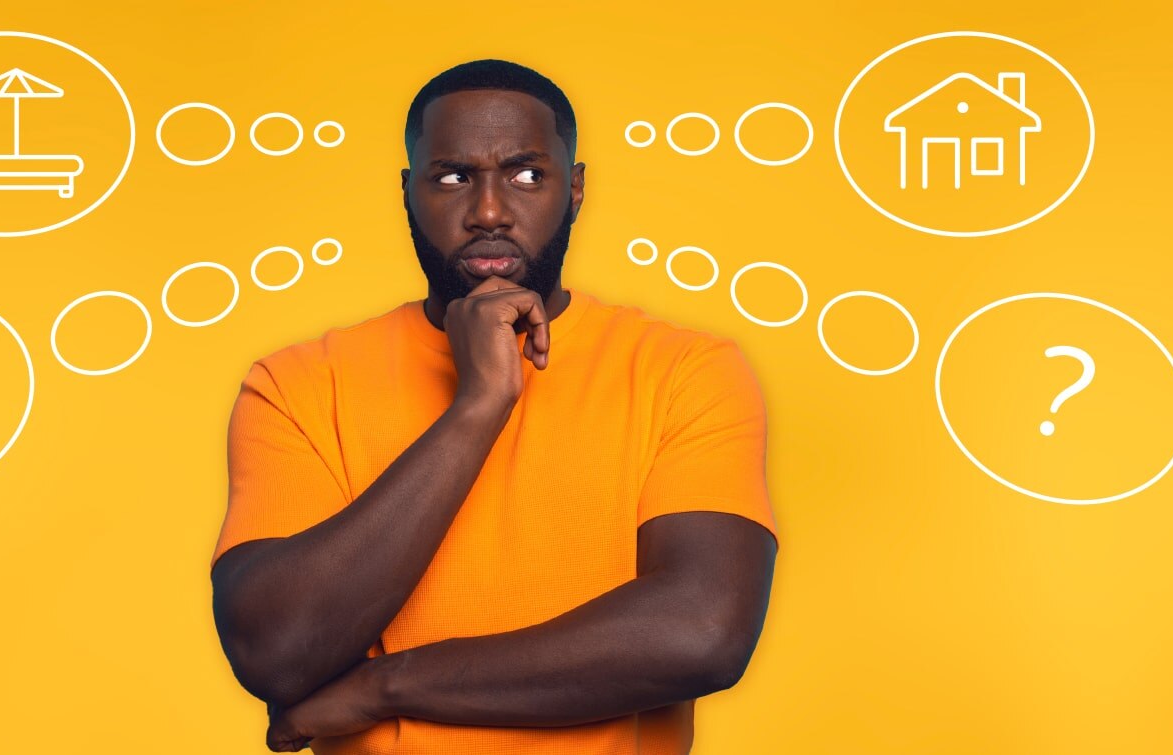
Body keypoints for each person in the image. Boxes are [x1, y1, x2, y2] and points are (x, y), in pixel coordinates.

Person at [210, 58, 778, 754]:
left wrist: (384, 685)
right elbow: (275, 650)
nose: (487, 211)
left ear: (574, 191)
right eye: (452, 177)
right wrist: (477, 406)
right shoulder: (298, 383)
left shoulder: (683, 371)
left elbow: (702, 631)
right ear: (408, 192)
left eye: (526, 175)